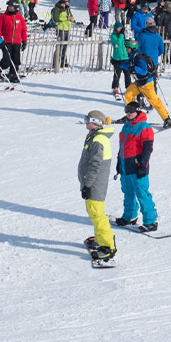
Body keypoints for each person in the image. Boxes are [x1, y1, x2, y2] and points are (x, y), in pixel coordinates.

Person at [115, 100, 159, 232]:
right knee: (128, 193)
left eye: (131, 111)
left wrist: (143, 165)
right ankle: (129, 216)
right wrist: (119, 162)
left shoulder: (144, 127)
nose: (129, 114)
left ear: (138, 111)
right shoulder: (126, 126)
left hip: (137, 166)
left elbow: (148, 148)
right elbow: (122, 146)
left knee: (142, 193)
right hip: (125, 165)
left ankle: (150, 221)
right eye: (126, 111)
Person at [79, 109, 116, 264]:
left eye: (88, 119)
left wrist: (87, 184)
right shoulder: (94, 136)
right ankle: (100, 239)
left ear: (96, 122)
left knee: (97, 214)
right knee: (95, 213)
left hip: (95, 184)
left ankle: (108, 246)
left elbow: (95, 165)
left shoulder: (98, 140)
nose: (86, 121)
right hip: (91, 182)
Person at [124, 19, 171, 128]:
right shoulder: (158, 36)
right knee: (148, 85)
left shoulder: (142, 35)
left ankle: (143, 103)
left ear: (146, 25)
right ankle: (133, 112)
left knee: (148, 87)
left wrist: (141, 57)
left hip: (142, 63)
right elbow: (161, 50)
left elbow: (137, 47)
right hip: (153, 63)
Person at [0, 0, 27, 83]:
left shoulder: (20, 17)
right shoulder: (3, 17)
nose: (10, 9)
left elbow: (24, 30)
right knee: (6, 60)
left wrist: (24, 41)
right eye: (9, 7)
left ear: (16, 8)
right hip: (6, 42)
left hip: (17, 42)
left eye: (12, 7)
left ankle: (13, 74)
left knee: (16, 60)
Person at [110, 22, 134, 96]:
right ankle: (115, 87)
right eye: (119, 28)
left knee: (127, 74)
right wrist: (121, 36)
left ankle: (128, 87)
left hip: (125, 57)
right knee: (117, 74)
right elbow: (118, 43)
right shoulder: (113, 36)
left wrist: (129, 38)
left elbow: (128, 44)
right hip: (117, 58)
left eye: (121, 28)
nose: (120, 29)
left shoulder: (122, 36)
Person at [50, 0, 74, 69]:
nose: (68, 3)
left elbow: (70, 16)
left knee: (65, 46)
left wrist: (71, 18)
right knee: (59, 46)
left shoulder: (67, 9)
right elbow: (55, 19)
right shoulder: (57, 9)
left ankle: (63, 62)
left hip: (67, 28)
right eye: (67, 2)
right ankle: (56, 62)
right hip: (61, 29)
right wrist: (66, 18)